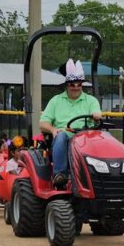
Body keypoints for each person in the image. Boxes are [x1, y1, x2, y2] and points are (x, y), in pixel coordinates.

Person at [39, 59, 101, 187]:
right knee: (61, 135)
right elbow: (42, 123)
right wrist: (53, 130)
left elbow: (97, 113)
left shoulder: (91, 101)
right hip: (65, 138)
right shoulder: (56, 101)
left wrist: (96, 116)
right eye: (72, 84)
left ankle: (102, 173)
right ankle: (60, 175)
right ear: (67, 85)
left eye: (79, 84)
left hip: (86, 138)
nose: (76, 87)